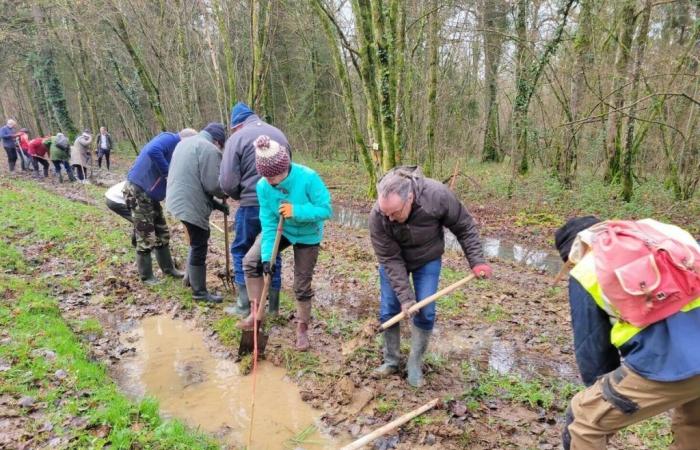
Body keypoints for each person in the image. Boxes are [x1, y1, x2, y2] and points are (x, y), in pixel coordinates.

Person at [554, 217, 700, 450]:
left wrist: (600, 396)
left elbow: (594, 352)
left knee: (584, 420)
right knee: (693, 423)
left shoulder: (587, 268)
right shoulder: (664, 231)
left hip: (669, 362)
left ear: (573, 253)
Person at [369, 166, 491, 387]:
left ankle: (414, 363)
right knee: (389, 309)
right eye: (385, 212)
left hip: (427, 258)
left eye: (395, 213)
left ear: (410, 198)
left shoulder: (437, 196)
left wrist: (477, 260)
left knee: (426, 311)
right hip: (394, 261)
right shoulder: (378, 215)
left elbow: (464, 226)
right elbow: (389, 259)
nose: (390, 218)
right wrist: (406, 299)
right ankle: (391, 361)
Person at [238, 135, 332, 351]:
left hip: (308, 234)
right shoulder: (263, 186)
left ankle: (302, 329)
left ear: (286, 166)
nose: (271, 181)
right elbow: (269, 223)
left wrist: (296, 211)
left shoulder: (308, 177)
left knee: (301, 283)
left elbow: (326, 209)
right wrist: (266, 259)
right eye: (267, 177)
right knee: (251, 261)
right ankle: (256, 313)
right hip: (283, 230)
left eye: (275, 176)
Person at [219, 101, 287, 316]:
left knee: (242, 249)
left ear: (237, 125)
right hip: (278, 205)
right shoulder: (279, 133)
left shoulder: (236, 139)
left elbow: (228, 182)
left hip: (250, 205)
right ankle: (273, 307)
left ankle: (244, 304)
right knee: (272, 251)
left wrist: (239, 195)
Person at [123, 129, 196, 284]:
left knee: (161, 231)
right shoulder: (169, 139)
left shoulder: (176, 147)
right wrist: (168, 173)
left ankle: (169, 269)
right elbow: (152, 150)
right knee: (146, 234)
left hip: (150, 195)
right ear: (185, 140)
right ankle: (146, 276)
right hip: (138, 190)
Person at [166, 123, 228, 303]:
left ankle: (189, 279)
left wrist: (217, 205)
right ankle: (199, 292)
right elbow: (212, 185)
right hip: (188, 204)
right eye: (221, 146)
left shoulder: (185, 142)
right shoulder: (209, 149)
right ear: (217, 141)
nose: (220, 149)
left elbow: (193, 180)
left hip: (176, 199)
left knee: (194, 240)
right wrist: (225, 192)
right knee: (200, 242)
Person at [105, 180, 136, 247]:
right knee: (141, 220)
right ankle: (137, 244)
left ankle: (137, 243)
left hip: (112, 195)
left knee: (140, 220)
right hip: (115, 199)